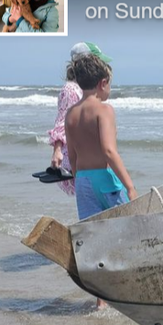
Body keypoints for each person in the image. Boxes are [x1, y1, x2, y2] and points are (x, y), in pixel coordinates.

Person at [65, 54, 137, 221]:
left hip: (82, 181)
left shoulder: (70, 114)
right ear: (103, 83)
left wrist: (79, 182)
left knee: (93, 231)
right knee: (126, 223)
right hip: (105, 180)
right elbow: (109, 151)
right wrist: (130, 187)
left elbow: (72, 155)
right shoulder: (104, 110)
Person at [47, 42, 114, 197]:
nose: (102, 65)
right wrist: (57, 151)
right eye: (98, 60)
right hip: (75, 157)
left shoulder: (84, 89)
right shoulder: (70, 89)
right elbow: (62, 121)